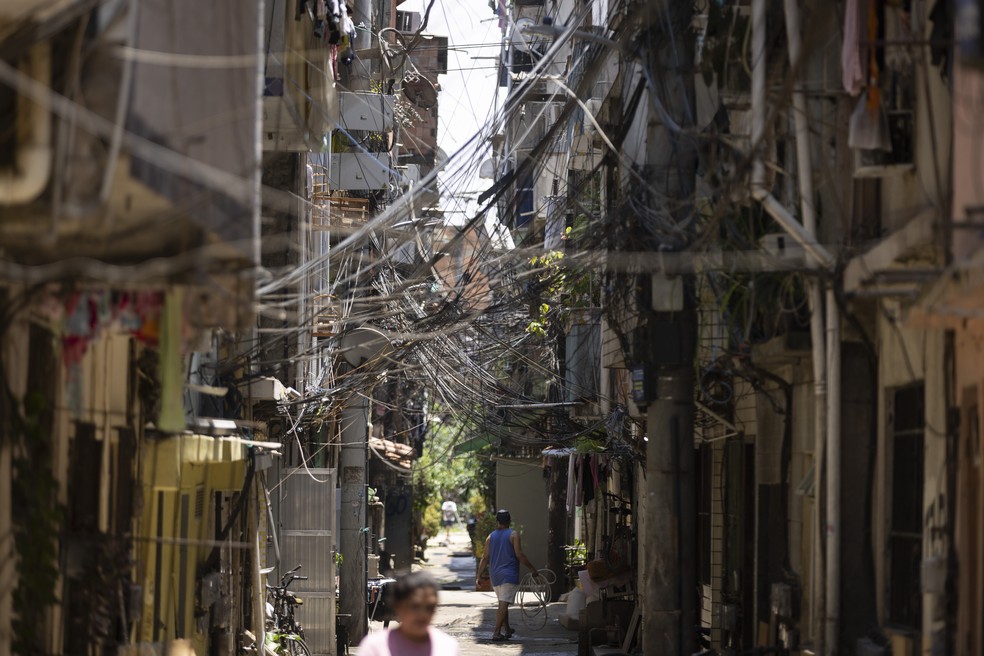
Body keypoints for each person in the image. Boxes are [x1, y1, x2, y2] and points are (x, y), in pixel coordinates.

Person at [357, 571, 460, 655]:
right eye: (415, 606)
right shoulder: (375, 647)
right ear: (398, 606)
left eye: (430, 607)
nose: (423, 614)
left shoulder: (447, 646)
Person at [475, 509, 538, 642]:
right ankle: (496, 633)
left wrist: (479, 576)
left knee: (503, 603)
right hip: (509, 575)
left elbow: (485, 557)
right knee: (503, 604)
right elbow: (519, 555)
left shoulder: (490, 536)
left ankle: (507, 630)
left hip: (495, 576)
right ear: (509, 521)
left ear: (497, 521)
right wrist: (532, 569)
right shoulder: (513, 535)